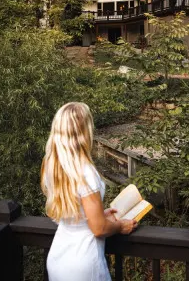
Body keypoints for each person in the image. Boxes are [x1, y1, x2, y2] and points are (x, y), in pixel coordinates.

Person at [41, 102, 137, 281]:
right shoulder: (85, 172)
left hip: (59, 257)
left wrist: (99, 213)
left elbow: (73, 211)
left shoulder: (53, 166)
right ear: (84, 131)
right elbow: (99, 229)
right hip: (83, 263)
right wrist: (120, 226)